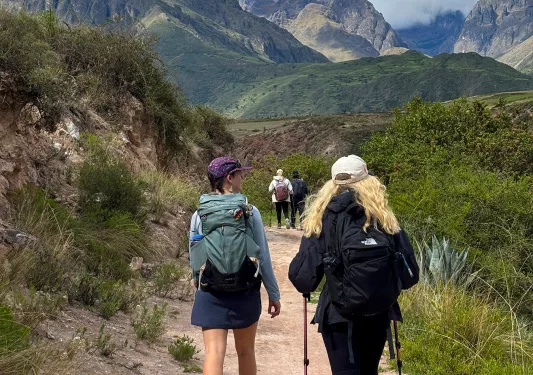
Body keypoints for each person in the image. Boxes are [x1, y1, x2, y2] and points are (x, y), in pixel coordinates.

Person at [288, 155, 418, 375]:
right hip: (378, 313)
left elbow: (304, 280)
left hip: (339, 315)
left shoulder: (324, 217)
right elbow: (410, 275)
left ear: (332, 184)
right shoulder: (383, 217)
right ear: (368, 181)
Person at [189, 157, 281, 375]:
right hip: (245, 288)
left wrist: (198, 282)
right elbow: (263, 256)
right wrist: (273, 294)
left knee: (214, 352)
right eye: (240, 173)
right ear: (229, 178)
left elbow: (195, 253)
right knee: (246, 351)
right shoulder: (250, 211)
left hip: (211, 288)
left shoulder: (200, 213)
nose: (243, 177)